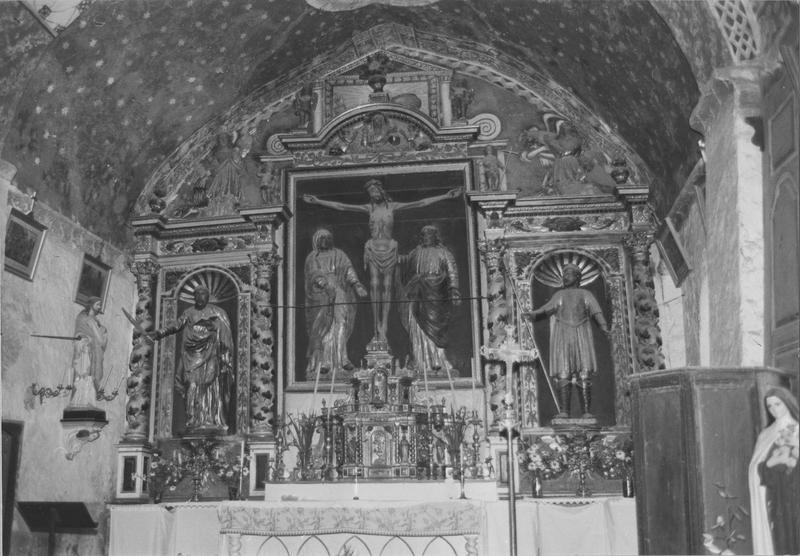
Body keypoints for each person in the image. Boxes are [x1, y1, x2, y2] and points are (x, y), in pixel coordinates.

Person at [302, 179, 461, 346]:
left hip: (390, 249)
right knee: (374, 288)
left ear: (381, 191)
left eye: (375, 191)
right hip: (372, 249)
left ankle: (383, 327)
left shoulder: (392, 207)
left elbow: (420, 203)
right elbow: (342, 206)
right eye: (370, 193)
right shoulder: (368, 208)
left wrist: (445, 196)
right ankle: (376, 329)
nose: (373, 195)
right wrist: (318, 201)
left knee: (386, 289)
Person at [525, 263, 609, 418]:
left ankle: (586, 412)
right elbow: (548, 307)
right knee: (563, 373)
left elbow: (596, 310)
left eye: (568, 274)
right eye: (564, 275)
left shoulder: (585, 294)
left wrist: (603, 325)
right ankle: (564, 411)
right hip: (563, 335)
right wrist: (534, 314)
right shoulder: (559, 295)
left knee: (584, 372)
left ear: (577, 277)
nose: (565, 277)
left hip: (581, 334)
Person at [149, 285, 233, 431]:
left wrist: (214, 328)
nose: (200, 297)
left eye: (203, 294)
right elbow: (175, 325)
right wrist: (160, 332)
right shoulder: (189, 312)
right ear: (194, 297)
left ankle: (211, 419)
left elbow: (225, 332)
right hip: (192, 356)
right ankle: (193, 419)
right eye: (197, 294)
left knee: (210, 385)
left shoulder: (217, 312)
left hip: (211, 353)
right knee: (192, 386)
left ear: (208, 296)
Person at [304, 228, 368, 378]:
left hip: (339, 290)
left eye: (328, 238)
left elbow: (348, 270)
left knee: (341, 323)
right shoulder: (313, 257)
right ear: (317, 241)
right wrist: (324, 285)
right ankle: (325, 362)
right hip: (321, 295)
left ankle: (342, 359)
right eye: (322, 238)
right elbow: (312, 274)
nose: (325, 241)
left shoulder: (339, 254)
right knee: (325, 325)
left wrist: (356, 284)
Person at [398, 225, 461, 375]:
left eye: (429, 234)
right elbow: (405, 265)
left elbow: (452, 272)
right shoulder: (415, 253)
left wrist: (453, 289)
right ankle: (420, 361)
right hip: (417, 293)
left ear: (434, 236)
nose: (425, 237)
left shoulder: (444, 253)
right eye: (423, 235)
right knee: (415, 326)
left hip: (435, 294)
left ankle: (437, 360)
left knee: (435, 329)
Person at [748, 386, 799, 555]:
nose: (774, 409)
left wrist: (771, 465)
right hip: (764, 491)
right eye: (770, 406)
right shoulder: (765, 433)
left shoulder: (795, 429)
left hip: (787, 494)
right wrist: (767, 465)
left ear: (787, 403)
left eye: (778, 404)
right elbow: (757, 463)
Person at [73, 296, 108, 394]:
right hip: (85, 352)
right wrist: (84, 340)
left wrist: (103, 332)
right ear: (91, 305)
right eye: (98, 304)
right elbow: (79, 333)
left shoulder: (97, 322)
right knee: (84, 375)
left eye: (100, 305)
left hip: (95, 354)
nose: (100, 307)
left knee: (93, 379)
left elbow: (101, 341)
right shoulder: (83, 318)